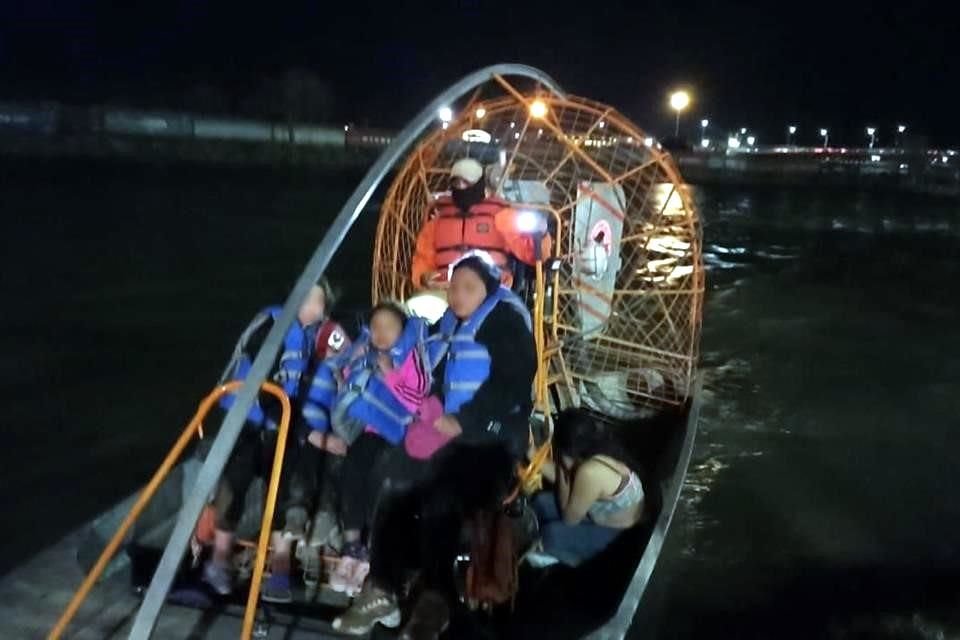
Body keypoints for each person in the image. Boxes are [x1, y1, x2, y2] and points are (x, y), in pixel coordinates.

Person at [333, 254, 538, 638]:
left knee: (440, 500)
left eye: (468, 288)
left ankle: (436, 599)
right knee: (395, 483)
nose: (458, 296)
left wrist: (464, 421)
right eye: (453, 288)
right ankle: (381, 586)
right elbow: (434, 374)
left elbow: (513, 380)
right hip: (450, 439)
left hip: (491, 443)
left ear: (489, 290)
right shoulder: (450, 324)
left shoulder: (504, 321)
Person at [202, 276, 348, 603]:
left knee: (281, 482)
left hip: (275, 423)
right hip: (245, 418)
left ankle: (280, 565)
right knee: (234, 481)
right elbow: (264, 385)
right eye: (306, 299)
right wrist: (307, 433)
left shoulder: (309, 340)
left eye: (318, 302)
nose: (312, 307)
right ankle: (219, 559)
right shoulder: (274, 324)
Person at [321, 301, 432, 596]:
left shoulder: (411, 356)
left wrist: (391, 374)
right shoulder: (366, 353)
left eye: (389, 327)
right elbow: (351, 384)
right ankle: (351, 547)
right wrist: (347, 367)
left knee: (380, 481)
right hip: (369, 430)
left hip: (399, 432)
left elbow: (418, 400)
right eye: (376, 327)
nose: (381, 334)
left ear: (403, 330)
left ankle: (372, 553)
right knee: (353, 469)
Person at [410, 158, 551, 291]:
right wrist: (423, 277)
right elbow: (423, 260)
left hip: (491, 291)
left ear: (479, 184)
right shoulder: (437, 223)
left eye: (467, 183)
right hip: (447, 291)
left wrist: (542, 234)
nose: (461, 187)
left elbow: (532, 254)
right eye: (456, 183)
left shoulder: (501, 216)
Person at [531, 409, 647, 568]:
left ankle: (571, 562)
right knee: (540, 502)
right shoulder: (594, 450)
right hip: (601, 513)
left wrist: (562, 468)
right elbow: (567, 482)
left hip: (619, 533)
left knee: (551, 535)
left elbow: (570, 519)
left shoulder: (590, 472)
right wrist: (532, 455)